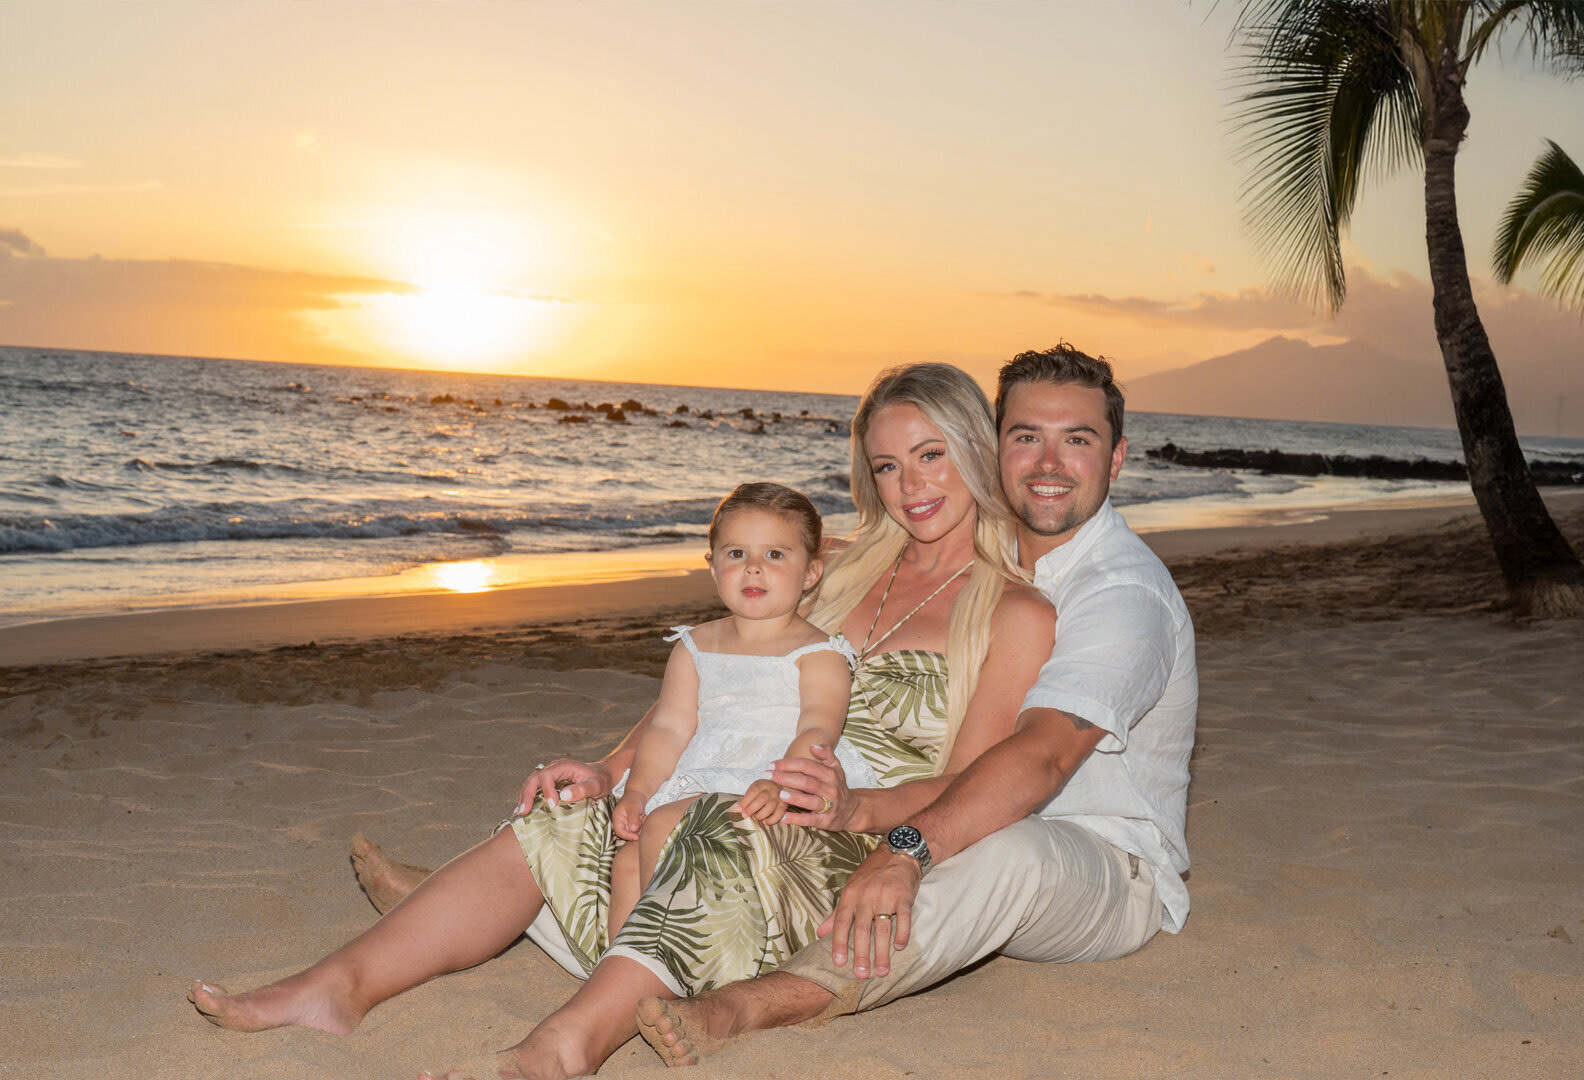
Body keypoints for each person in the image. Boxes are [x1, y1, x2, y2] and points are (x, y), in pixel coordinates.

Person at [189, 362, 1055, 1080]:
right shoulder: (835, 568)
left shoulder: (1012, 612)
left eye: (932, 455)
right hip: (733, 791)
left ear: (974, 452)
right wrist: (610, 770)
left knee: (708, 824)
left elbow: (966, 789)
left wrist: (848, 805)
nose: (912, 486)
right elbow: (720, 685)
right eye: (888, 466)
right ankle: (338, 987)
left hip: (844, 842)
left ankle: (563, 1048)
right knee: (569, 813)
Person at [635, 343, 1197, 1067]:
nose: (1048, 463)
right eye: (1027, 437)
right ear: (994, 449)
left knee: (1007, 849)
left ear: (1116, 458)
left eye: (1078, 440)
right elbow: (747, 667)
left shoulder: (1121, 593)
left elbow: (1043, 757)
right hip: (963, 814)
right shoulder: (966, 555)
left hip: (1102, 862)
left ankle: (757, 1003)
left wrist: (903, 845)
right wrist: (626, 767)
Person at [527, 481, 882, 941]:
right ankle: (624, 965)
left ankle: (657, 952)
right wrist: (636, 792)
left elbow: (818, 729)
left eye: (775, 554)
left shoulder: (819, 652)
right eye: (736, 553)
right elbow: (668, 730)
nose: (753, 567)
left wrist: (781, 784)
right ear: (712, 565)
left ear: (811, 572)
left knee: (665, 827)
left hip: (772, 786)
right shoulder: (695, 645)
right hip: (703, 773)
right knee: (628, 862)